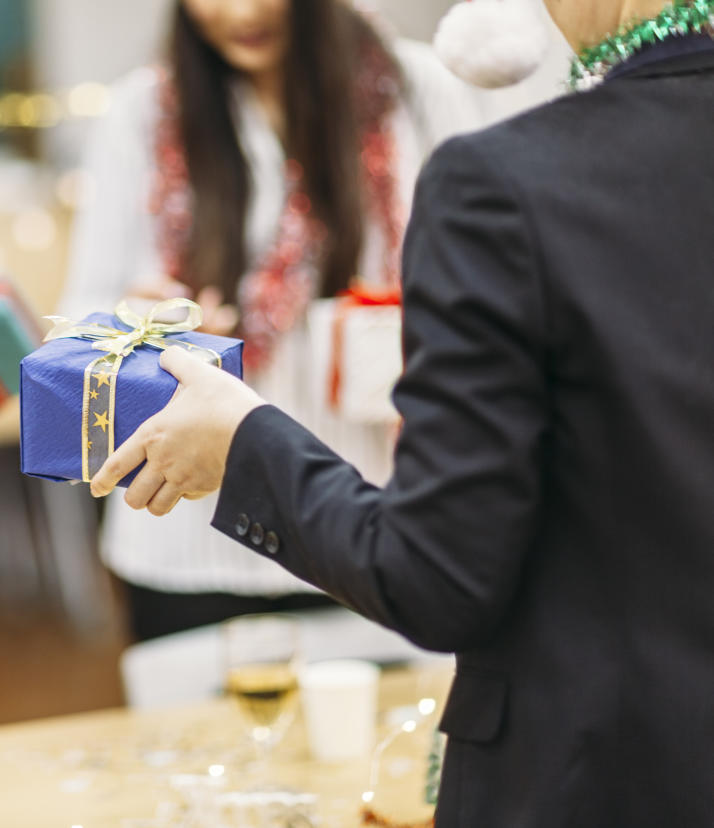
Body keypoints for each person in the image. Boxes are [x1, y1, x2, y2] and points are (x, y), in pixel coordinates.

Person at [91, 0, 714, 821]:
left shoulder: (467, 139)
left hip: (403, 524)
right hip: (209, 543)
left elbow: (441, 577)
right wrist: (140, 327)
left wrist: (243, 443)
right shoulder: (143, 111)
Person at [59, 0, 487, 640]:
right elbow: (75, 332)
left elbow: (483, 298)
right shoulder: (142, 112)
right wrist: (135, 324)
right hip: (186, 542)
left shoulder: (416, 90)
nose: (239, 12)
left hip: (366, 521)